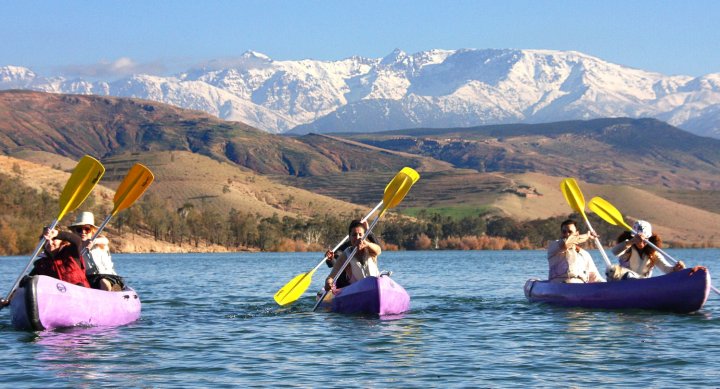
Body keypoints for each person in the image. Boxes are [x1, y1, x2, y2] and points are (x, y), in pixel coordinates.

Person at [608, 220, 684, 280]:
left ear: (649, 238)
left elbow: (666, 268)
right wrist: (632, 241)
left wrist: (675, 268)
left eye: (645, 239)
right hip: (625, 282)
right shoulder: (627, 248)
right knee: (624, 274)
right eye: (637, 239)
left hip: (643, 284)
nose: (640, 241)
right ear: (633, 237)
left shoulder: (653, 253)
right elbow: (615, 252)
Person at [69, 212, 122, 291]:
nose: (83, 232)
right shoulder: (73, 247)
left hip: (107, 276)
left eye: (87, 229)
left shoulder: (99, 242)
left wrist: (93, 242)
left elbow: (105, 241)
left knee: (103, 282)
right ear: (75, 232)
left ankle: (112, 292)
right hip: (89, 278)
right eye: (79, 229)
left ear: (92, 231)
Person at [324, 220, 382, 291]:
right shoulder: (345, 254)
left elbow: (378, 250)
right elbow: (331, 276)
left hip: (375, 287)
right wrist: (328, 283)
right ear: (350, 237)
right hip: (356, 291)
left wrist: (367, 243)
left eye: (360, 234)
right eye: (354, 235)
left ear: (365, 235)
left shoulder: (371, 249)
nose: (357, 237)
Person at [547, 219, 605, 283]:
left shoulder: (584, 254)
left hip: (580, 285)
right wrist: (587, 236)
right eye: (564, 232)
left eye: (570, 232)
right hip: (559, 284)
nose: (567, 234)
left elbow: (595, 277)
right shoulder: (554, 246)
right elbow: (567, 243)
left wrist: (608, 284)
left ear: (577, 234)